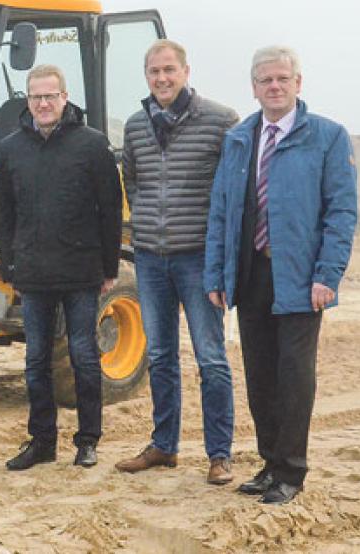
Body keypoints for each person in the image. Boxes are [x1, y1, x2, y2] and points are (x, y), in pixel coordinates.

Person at [203, 46, 357, 504]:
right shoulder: (239, 139)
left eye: (282, 79)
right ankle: (270, 464)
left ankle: (291, 471)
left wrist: (327, 275)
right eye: (265, 80)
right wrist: (216, 274)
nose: (274, 87)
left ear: (297, 83)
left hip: (301, 278)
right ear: (254, 87)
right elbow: (221, 212)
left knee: (294, 378)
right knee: (260, 377)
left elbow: (341, 213)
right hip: (251, 276)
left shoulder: (328, 137)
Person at [114, 39, 239, 485]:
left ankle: (220, 454)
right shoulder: (134, 126)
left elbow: (232, 194)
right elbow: (134, 182)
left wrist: (224, 262)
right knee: (162, 356)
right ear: (146, 76)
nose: (162, 79)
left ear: (186, 71)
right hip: (150, 259)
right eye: (154, 72)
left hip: (200, 260)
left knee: (210, 357)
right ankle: (164, 446)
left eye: (169, 70)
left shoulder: (221, 121)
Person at [0, 64, 121, 470]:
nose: (44, 103)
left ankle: (87, 440)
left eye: (51, 96)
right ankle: (42, 441)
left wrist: (109, 266)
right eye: (36, 97)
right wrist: (9, 263)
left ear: (65, 98)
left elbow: (110, 210)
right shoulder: (11, 147)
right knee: (35, 361)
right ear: (27, 101)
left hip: (81, 270)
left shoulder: (92, 145)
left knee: (84, 356)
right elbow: (6, 212)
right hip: (33, 271)